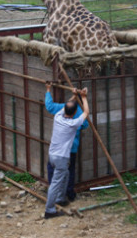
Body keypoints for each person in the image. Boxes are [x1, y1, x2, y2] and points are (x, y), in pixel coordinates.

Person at [44, 87, 89, 219]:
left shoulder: (58, 117)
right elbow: (86, 112)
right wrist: (84, 97)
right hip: (61, 158)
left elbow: (66, 106)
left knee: (66, 174)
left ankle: (61, 198)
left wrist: (75, 96)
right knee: (56, 183)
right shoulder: (73, 124)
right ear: (75, 112)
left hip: (52, 155)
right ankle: (49, 210)